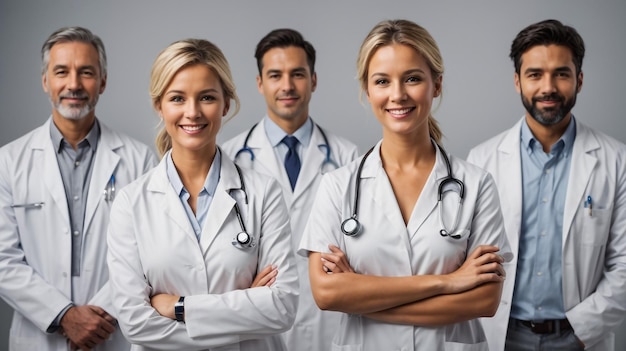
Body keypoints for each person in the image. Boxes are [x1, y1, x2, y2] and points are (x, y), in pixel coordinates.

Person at [297, 19, 512, 351]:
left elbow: (484, 300)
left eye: (412, 78)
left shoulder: (476, 184)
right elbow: (326, 294)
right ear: (367, 90)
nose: (397, 95)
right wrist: (450, 282)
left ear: (436, 85)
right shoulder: (337, 186)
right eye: (382, 81)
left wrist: (361, 293)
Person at [106, 38, 299, 351]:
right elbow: (135, 323)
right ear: (159, 105)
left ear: (226, 103)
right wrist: (246, 308)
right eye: (177, 98)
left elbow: (282, 309)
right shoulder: (131, 203)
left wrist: (179, 307)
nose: (192, 112)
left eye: (206, 97)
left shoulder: (263, 193)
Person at [467, 19, 626, 351]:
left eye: (561, 74)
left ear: (579, 80)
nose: (548, 87)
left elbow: (624, 264)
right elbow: (467, 259)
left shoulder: (617, 161)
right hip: (502, 335)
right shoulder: (482, 160)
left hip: (582, 336)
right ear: (517, 81)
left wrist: (582, 333)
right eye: (535, 74)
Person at [0, 26, 157, 351]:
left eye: (86, 72)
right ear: (45, 81)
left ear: (102, 81)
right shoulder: (8, 162)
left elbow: (149, 256)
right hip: (38, 336)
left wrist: (98, 316)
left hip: (113, 332)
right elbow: (3, 260)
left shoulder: (139, 159)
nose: (73, 84)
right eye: (61, 72)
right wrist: (64, 315)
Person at [221, 28, 358, 350]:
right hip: (258, 316)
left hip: (329, 319)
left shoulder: (349, 158)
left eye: (297, 74)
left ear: (313, 80)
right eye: (275, 75)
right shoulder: (229, 158)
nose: (287, 86)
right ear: (259, 83)